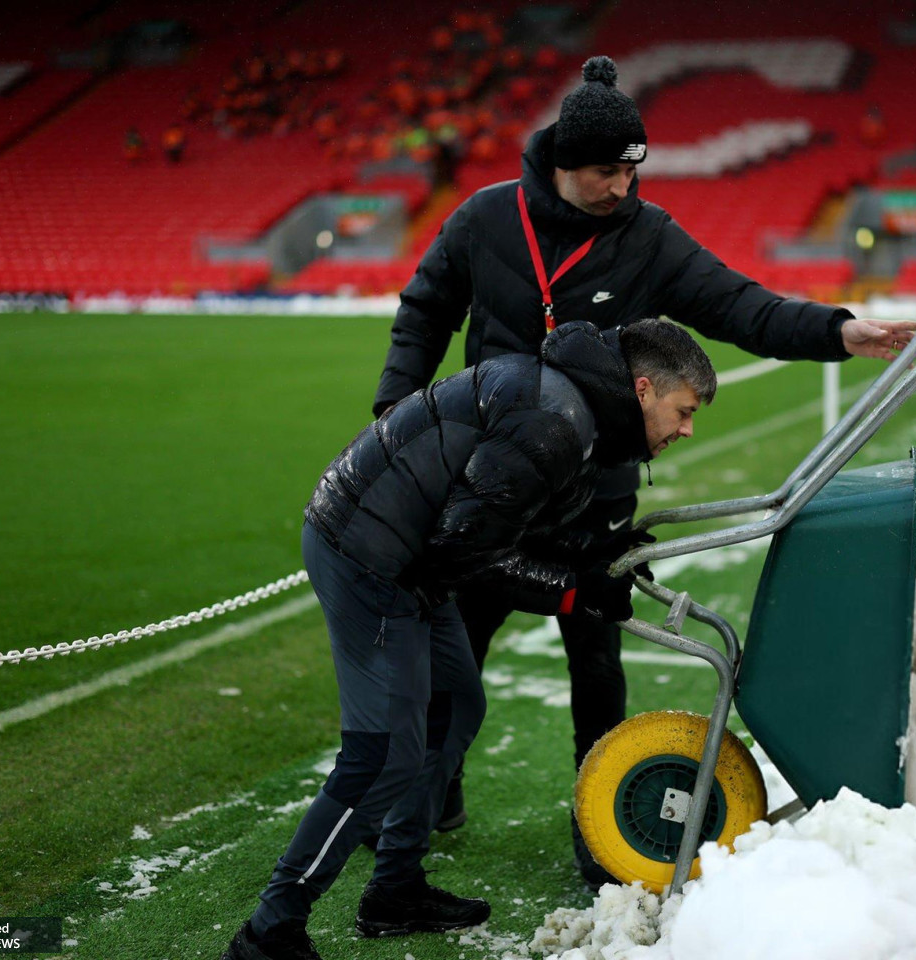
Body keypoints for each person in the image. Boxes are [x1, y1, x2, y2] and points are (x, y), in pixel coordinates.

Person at [371, 54, 916, 886]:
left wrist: (837, 330)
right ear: (560, 161)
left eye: (633, 171)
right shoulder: (484, 221)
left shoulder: (650, 237)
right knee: (455, 663)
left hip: (594, 497)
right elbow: (424, 312)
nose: (621, 187)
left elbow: (743, 307)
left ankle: (603, 830)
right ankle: (426, 797)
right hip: (487, 487)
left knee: (596, 668)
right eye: (604, 173)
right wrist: (395, 418)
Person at [221, 319, 717, 960]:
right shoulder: (555, 419)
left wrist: (592, 553)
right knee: (380, 756)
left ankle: (394, 888)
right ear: (644, 389)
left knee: (455, 707)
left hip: (416, 556)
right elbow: (471, 552)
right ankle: (270, 930)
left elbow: (503, 517)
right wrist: (576, 590)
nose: (687, 429)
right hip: (369, 553)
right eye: (683, 411)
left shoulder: (576, 408)